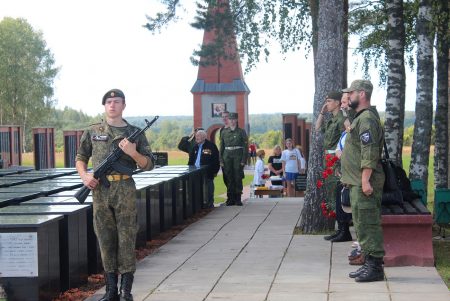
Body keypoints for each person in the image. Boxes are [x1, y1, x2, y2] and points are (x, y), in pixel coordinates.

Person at [76, 88, 154, 301]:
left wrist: (132, 152)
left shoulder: (134, 132)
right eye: (109, 102)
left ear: (123, 105)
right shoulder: (93, 131)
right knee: (105, 239)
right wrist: (85, 177)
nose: (112, 105)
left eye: (117, 101)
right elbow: (81, 157)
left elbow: (149, 164)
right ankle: (111, 291)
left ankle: (125, 291)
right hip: (100, 191)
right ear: (104, 106)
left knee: (127, 239)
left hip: (125, 191)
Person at [341, 79, 385, 282]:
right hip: (357, 182)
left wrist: (366, 180)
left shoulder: (367, 119)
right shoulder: (361, 118)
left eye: (351, 93)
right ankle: (368, 262)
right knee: (361, 223)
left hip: (364, 182)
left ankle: (375, 267)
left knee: (368, 223)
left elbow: (369, 152)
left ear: (362, 94)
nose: (348, 96)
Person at [315, 91, 350, 243]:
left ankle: (345, 230)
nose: (327, 104)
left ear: (337, 102)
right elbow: (317, 128)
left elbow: (346, 142)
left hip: (336, 161)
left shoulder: (342, 120)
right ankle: (340, 229)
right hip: (329, 158)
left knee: (338, 194)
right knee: (332, 195)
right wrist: (322, 113)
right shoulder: (332, 119)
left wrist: (339, 164)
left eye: (329, 101)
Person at [220, 112, 248, 206]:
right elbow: (221, 147)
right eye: (230, 119)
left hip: (238, 156)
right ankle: (230, 198)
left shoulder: (241, 131)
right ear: (228, 120)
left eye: (233, 119)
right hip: (227, 156)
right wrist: (221, 160)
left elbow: (245, 147)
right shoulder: (224, 132)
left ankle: (238, 198)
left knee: (238, 177)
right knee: (229, 178)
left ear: (236, 120)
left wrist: (244, 160)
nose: (231, 121)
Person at [188, 129, 220, 208]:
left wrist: (214, 171)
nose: (196, 138)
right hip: (195, 172)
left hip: (207, 172)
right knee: (196, 190)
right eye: (196, 136)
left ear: (204, 137)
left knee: (208, 189)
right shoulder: (195, 147)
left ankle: (209, 205)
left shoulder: (211, 146)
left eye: (198, 136)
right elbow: (191, 161)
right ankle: (198, 206)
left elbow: (216, 160)